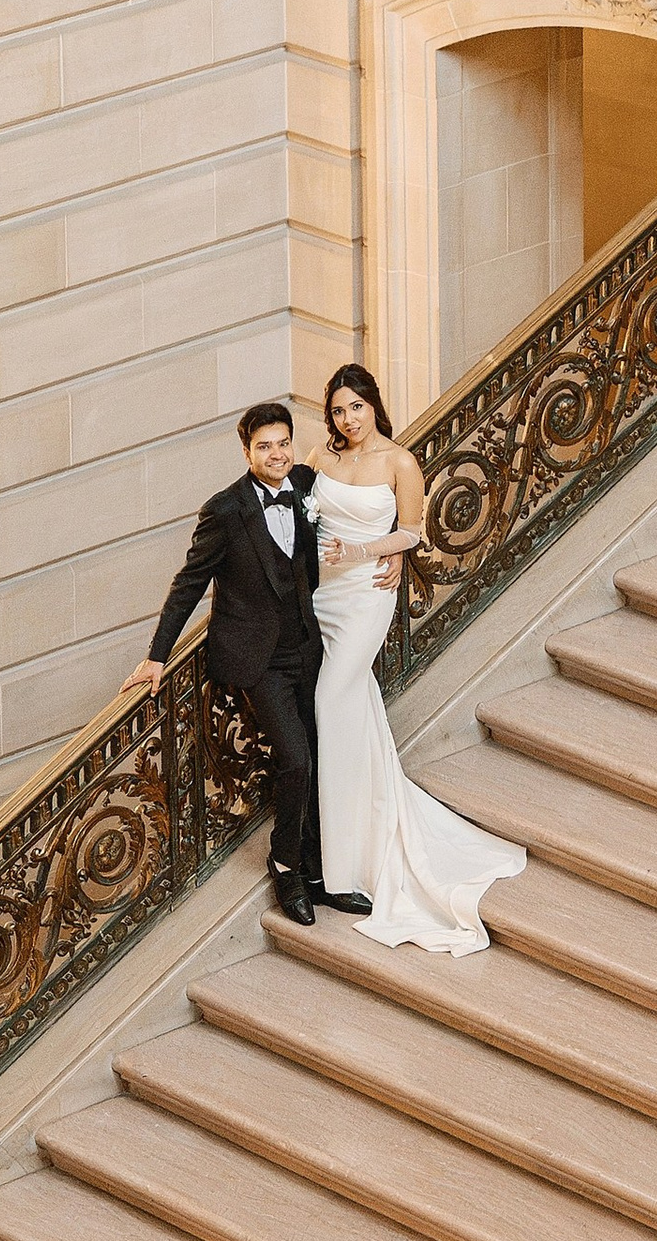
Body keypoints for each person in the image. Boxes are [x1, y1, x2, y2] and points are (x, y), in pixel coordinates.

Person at [299, 363, 524, 956]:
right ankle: (354, 834)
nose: (348, 419)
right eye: (339, 410)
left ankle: (341, 862)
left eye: (356, 407)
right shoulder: (323, 458)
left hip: (367, 592)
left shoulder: (399, 462)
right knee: (354, 707)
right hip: (322, 592)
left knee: (330, 700)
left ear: (374, 404)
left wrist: (368, 549)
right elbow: (303, 517)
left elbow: (413, 531)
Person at [127, 403, 381, 928]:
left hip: (312, 647)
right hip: (259, 660)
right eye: (265, 446)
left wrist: (396, 549)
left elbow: (367, 491)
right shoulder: (225, 511)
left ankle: (321, 873)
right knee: (294, 758)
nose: (277, 454)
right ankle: (286, 864)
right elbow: (188, 584)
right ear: (246, 451)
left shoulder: (307, 484)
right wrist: (157, 656)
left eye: (283, 443)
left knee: (324, 753)